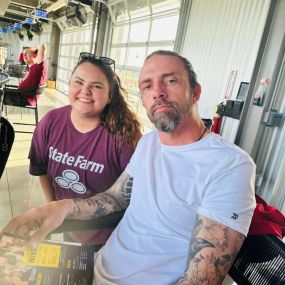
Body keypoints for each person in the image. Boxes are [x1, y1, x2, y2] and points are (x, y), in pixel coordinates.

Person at [1, 50, 256, 285]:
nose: (158, 92)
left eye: (170, 81)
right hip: (94, 268)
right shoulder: (149, 144)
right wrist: (64, 206)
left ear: (196, 92)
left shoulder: (230, 165)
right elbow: (116, 198)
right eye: (147, 86)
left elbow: (200, 280)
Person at [28, 53, 141, 246]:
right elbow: (41, 169)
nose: (85, 91)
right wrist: (55, 207)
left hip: (112, 236)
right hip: (68, 227)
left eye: (96, 86)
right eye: (78, 82)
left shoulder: (124, 137)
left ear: (110, 95)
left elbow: (134, 197)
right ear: (69, 84)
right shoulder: (50, 122)